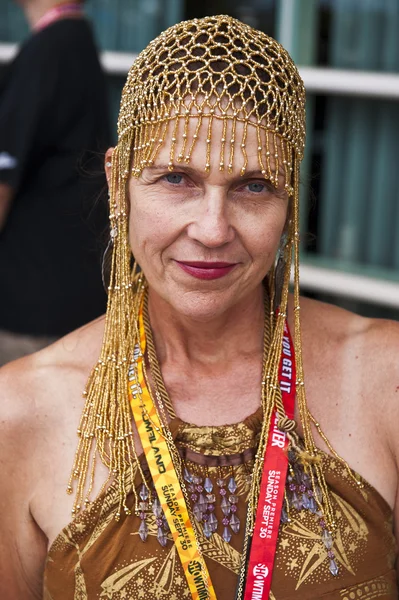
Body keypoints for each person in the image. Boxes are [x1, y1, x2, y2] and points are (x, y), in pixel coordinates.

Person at [0, 14, 398, 600]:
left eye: (253, 186)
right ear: (117, 183)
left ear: (292, 197)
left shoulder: (385, 377)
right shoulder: (20, 412)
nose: (212, 229)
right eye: (176, 179)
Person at [0, 0, 110, 364]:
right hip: (67, 298)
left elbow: (3, 175)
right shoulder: (76, 38)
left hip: (30, 316)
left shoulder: (52, 49)